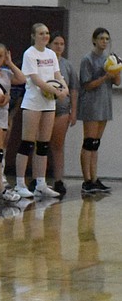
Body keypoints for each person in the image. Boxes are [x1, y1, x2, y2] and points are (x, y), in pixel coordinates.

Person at [13, 23, 66, 199]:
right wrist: (56, 91)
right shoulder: (30, 53)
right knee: (27, 142)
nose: (45, 36)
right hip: (33, 102)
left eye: (47, 33)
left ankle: (40, 184)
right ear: (33, 36)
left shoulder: (51, 54)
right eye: (41, 33)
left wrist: (64, 88)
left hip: (49, 103)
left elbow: (57, 76)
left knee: (43, 144)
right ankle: (20, 183)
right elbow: (35, 79)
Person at [78, 28, 118, 193]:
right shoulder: (87, 59)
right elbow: (87, 84)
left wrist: (116, 70)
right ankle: (86, 180)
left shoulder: (109, 59)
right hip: (91, 104)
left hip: (104, 103)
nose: (104, 41)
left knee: (95, 144)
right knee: (88, 142)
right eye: (101, 38)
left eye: (107, 38)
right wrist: (105, 77)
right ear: (94, 40)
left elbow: (116, 81)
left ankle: (94, 178)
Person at [0, 43, 25, 203]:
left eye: (0, 56)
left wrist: (10, 63)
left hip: (2, 117)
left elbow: (22, 79)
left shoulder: (7, 74)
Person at [46, 32, 77, 196]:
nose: (59, 46)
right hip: (44, 109)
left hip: (62, 111)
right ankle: (39, 181)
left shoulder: (68, 66)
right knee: (40, 146)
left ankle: (58, 180)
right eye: (56, 43)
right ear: (50, 45)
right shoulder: (43, 63)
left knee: (57, 146)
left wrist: (74, 111)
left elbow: (73, 89)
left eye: (62, 44)